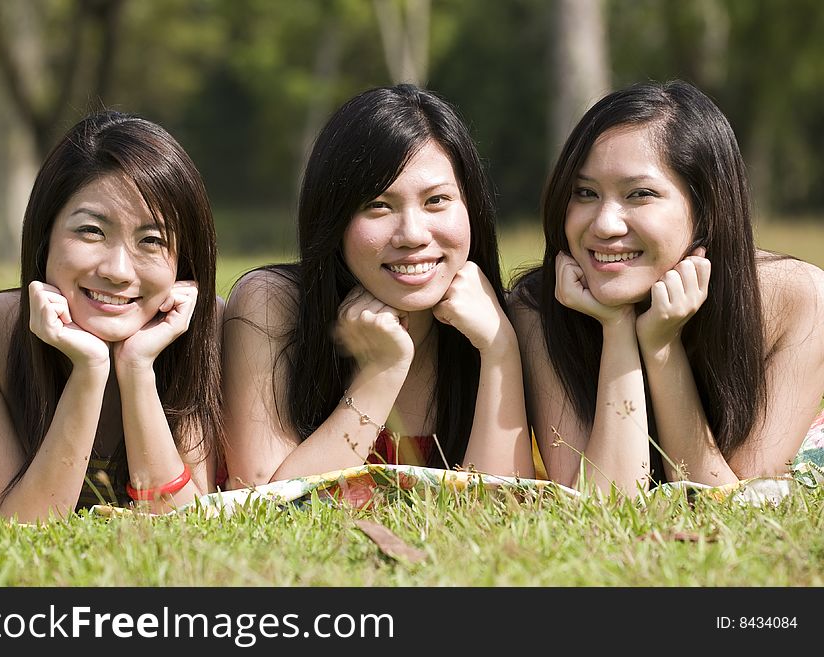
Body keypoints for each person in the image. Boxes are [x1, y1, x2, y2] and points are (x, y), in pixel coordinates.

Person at [509, 80, 824, 496]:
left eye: (640, 194)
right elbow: (604, 501)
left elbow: (738, 505)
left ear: (706, 207)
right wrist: (616, 327)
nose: (604, 224)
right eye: (585, 193)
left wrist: (661, 347)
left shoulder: (799, 300)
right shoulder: (539, 307)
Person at [222, 83, 534, 488]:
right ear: (333, 217)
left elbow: (500, 510)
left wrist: (499, 351)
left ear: (471, 207)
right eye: (378, 206)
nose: (412, 234)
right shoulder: (271, 304)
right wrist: (381, 373)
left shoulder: (506, 323)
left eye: (436, 200)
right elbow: (264, 503)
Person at [0, 110, 224, 521]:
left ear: (182, 263)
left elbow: (183, 522)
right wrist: (89, 371)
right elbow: (24, 526)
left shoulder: (204, 327)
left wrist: (138, 367)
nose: (117, 270)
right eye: (92, 231)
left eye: (151, 240)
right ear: (45, 237)